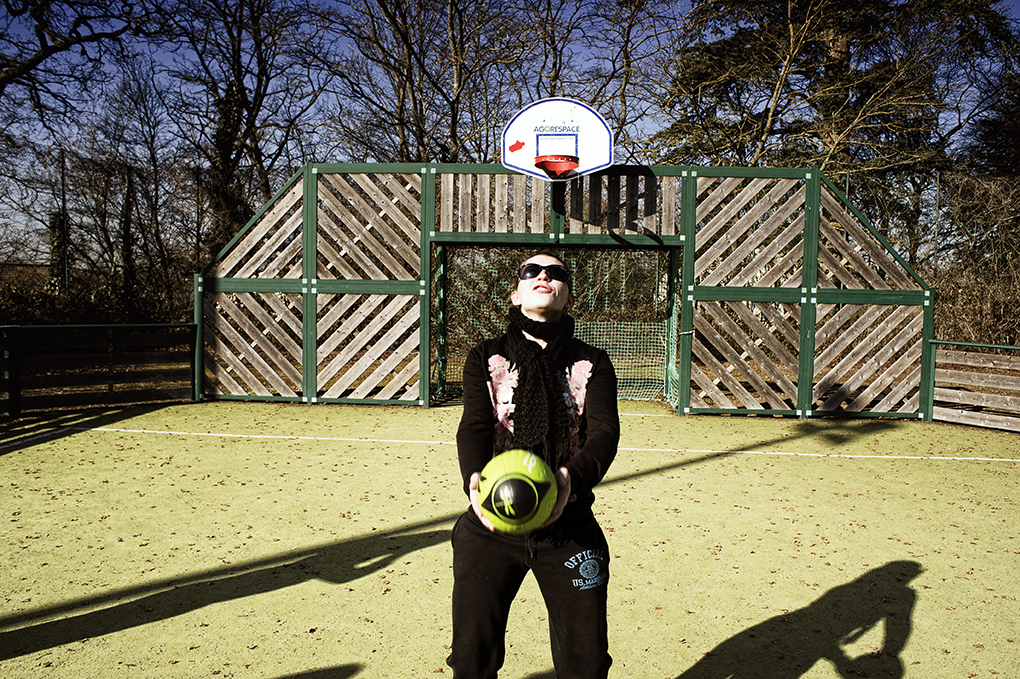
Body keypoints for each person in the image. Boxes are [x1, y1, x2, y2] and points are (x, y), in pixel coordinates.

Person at [447, 253, 620, 679]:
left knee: (586, 663)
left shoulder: (592, 362)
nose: (544, 276)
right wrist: (474, 478)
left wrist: (568, 478)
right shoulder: (486, 357)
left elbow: (604, 434)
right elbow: (474, 427)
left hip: (570, 527)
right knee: (472, 659)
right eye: (532, 272)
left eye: (557, 273)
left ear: (569, 297)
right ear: (515, 293)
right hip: (491, 525)